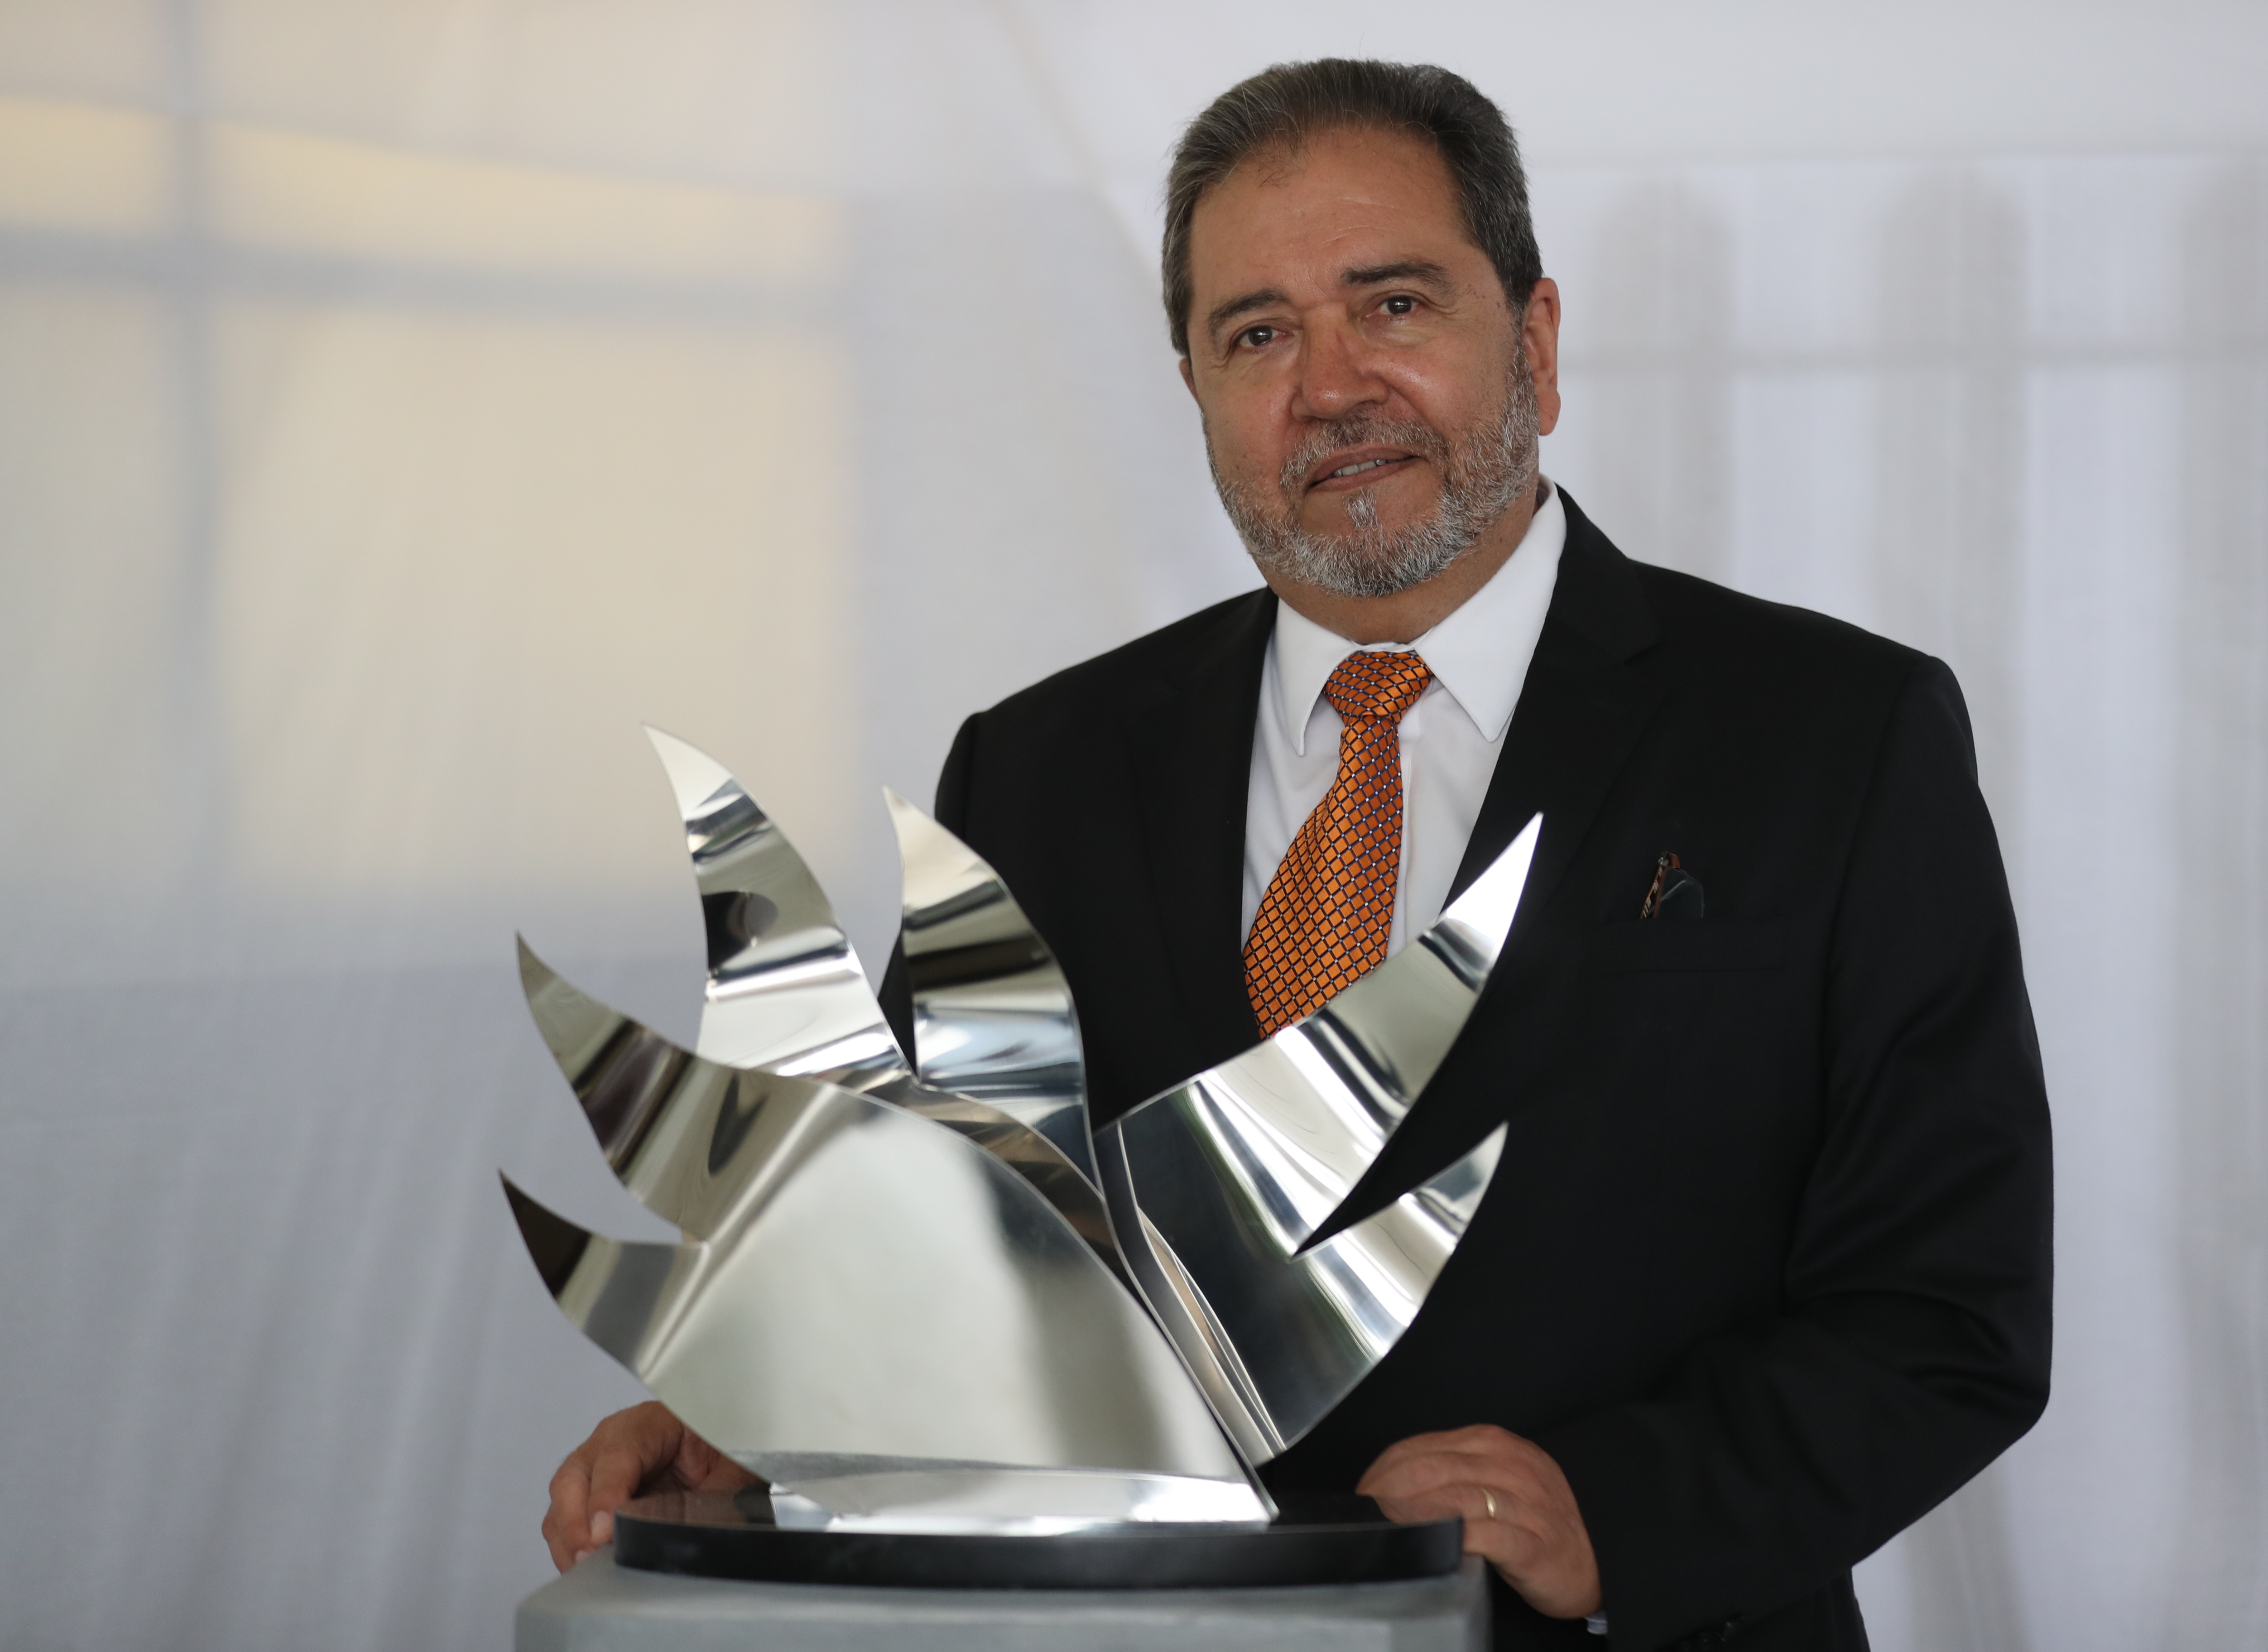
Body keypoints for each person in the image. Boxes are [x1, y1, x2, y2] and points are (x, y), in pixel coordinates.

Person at [542, 59, 2051, 1651]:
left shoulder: (1829, 734)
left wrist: (1620, 1505)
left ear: (1533, 341)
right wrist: (760, 1432)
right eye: (1256, 333)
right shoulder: (1037, 771)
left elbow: (1946, 1309)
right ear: (1196, 388)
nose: (1329, 386)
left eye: (1392, 305)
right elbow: (941, 1271)